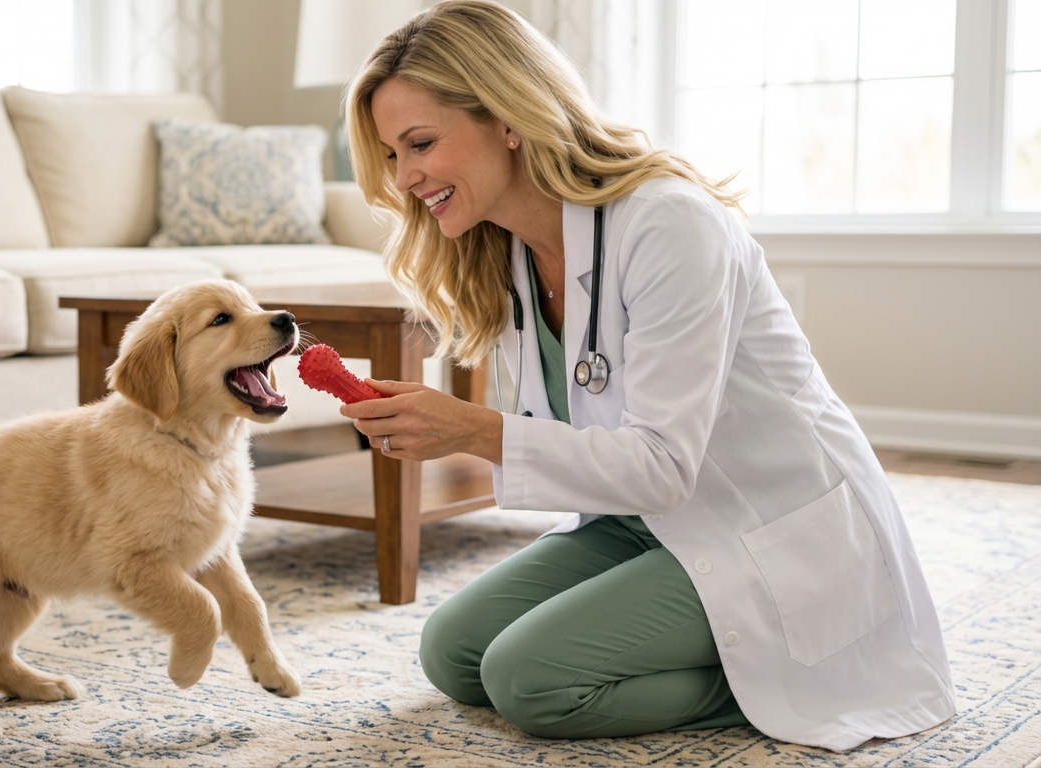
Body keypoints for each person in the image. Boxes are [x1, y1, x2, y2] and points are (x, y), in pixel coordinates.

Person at [337, 0, 954, 752]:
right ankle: (727, 650)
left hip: (765, 526)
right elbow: (593, 451)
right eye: (391, 156)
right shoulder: (509, 255)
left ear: (507, 116)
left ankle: (787, 670)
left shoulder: (668, 222)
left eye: (420, 143)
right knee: (454, 652)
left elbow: (662, 465)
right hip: (641, 527)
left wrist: (472, 430)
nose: (404, 178)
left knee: (531, 680)